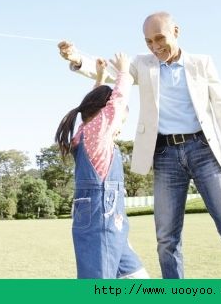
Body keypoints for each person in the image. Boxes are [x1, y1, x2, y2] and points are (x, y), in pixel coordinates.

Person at [58, 11, 221, 279]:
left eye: (160, 39)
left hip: (203, 150)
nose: (155, 47)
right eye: (148, 42)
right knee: (167, 240)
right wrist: (76, 58)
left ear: (176, 31)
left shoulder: (202, 64)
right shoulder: (143, 65)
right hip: (165, 155)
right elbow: (110, 72)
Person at [56, 53, 148, 279]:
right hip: (101, 223)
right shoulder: (96, 136)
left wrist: (99, 77)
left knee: (138, 278)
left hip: (112, 226)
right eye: (119, 124)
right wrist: (124, 72)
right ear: (102, 117)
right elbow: (115, 103)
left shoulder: (84, 132)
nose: (118, 130)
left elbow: (93, 104)